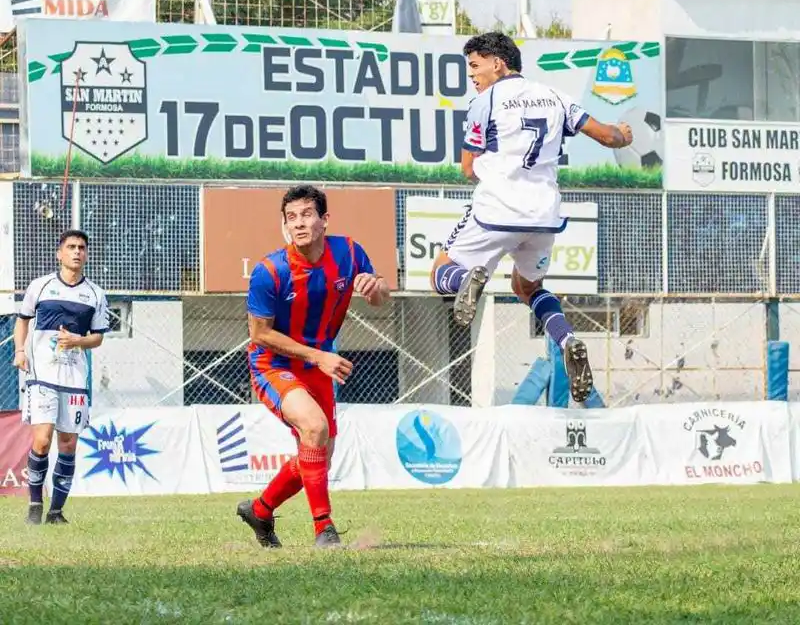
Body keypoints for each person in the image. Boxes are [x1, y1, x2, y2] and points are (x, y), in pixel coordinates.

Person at [430, 32, 633, 403]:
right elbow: (606, 137)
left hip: (496, 210)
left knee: (440, 271)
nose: (471, 76)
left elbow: (467, 168)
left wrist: (494, 166)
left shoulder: (485, 100)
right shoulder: (556, 96)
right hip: (543, 215)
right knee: (527, 288)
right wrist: (623, 135)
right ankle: (567, 339)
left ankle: (466, 279)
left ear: (498, 63)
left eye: (474, 66)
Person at [237, 184, 390, 548]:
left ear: (324, 220)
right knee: (315, 427)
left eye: (307, 215)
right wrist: (318, 356)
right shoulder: (269, 271)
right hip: (273, 363)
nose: (299, 223)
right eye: (292, 218)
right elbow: (259, 334)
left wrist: (376, 288)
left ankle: (260, 510)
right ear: (285, 225)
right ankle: (324, 528)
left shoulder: (350, 252)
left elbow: (381, 298)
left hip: (319, 360)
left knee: (320, 453)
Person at [13, 229, 109, 524]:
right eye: (71, 247)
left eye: (81, 247)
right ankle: (34, 505)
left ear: (86, 254)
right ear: (59, 254)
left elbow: (98, 338)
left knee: (68, 444)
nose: (77, 252)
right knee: (42, 440)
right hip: (42, 373)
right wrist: (19, 351)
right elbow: (22, 320)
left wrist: (77, 341)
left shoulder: (95, 294)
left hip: (75, 377)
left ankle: (56, 512)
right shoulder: (40, 286)